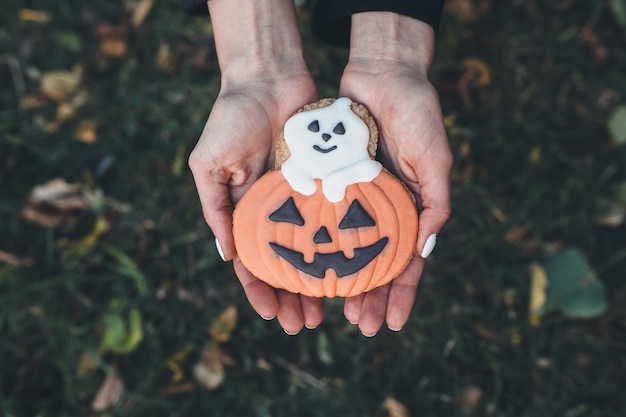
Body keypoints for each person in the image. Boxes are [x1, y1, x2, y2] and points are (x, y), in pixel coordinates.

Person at [186, 0, 453, 337]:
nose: (323, 238)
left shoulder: (366, 175)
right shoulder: (286, 178)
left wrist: (391, 60)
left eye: (356, 217)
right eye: (288, 213)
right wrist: (254, 75)